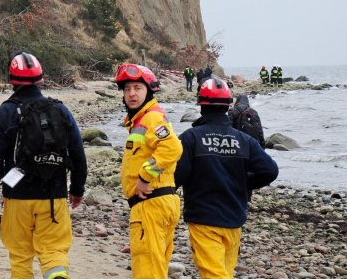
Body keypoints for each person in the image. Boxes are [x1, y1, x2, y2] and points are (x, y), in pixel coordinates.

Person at [0, 51, 88, 279]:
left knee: (20, 257)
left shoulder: (4, 113)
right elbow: (78, 154)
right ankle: (57, 275)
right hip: (54, 197)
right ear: (41, 78)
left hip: (17, 198)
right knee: (54, 252)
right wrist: (77, 189)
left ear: (11, 80)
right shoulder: (61, 110)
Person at [175, 79, 279, 279]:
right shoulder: (243, 140)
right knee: (224, 273)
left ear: (201, 105)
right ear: (228, 106)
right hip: (234, 218)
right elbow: (270, 170)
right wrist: (243, 181)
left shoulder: (190, 138)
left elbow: (177, 176)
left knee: (214, 275)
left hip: (203, 218)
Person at [116, 63, 183, 279]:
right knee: (156, 268)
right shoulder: (142, 120)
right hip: (157, 204)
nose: (132, 94)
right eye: (127, 89)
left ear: (149, 90)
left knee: (148, 273)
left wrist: (145, 177)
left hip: (151, 204)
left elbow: (173, 147)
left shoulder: (151, 118)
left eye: (137, 88)